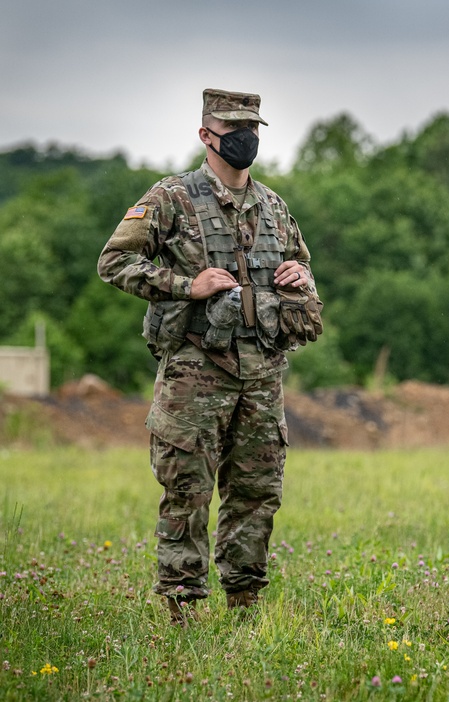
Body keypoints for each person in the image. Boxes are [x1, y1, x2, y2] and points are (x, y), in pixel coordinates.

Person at [97, 88, 323, 625]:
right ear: (206, 135)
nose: (245, 138)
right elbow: (113, 262)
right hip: (196, 370)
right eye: (233, 128)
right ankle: (183, 609)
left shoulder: (272, 206)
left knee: (256, 492)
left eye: (253, 128)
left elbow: (301, 267)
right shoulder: (171, 198)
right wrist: (184, 284)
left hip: (263, 372)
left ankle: (246, 603)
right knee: (188, 490)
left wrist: (300, 276)